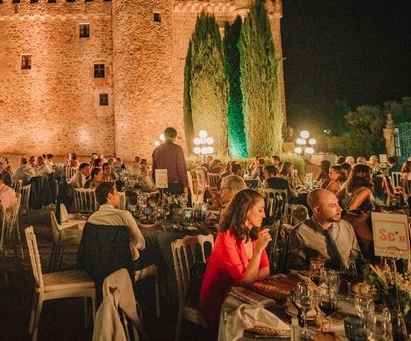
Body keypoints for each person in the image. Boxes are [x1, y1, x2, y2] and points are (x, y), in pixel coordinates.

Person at [198, 189, 271, 337]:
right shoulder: (226, 238)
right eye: (261, 210)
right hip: (220, 299)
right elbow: (243, 281)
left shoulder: (254, 233)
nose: (264, 215)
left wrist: (249, 278)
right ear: (246, 211)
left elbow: (266, 271)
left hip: (243, 294)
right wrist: (257, 252)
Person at [288, 188, 362, 271]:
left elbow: (357, 258)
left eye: (337, 204)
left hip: (348, 278)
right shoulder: (299, 232)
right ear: (318, 210)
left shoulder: (346, 227)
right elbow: (294, 267)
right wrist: (311, 266)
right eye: (333, 206)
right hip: (319, 280)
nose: (340, 209)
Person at [87, 182, 147, 266]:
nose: (119, 195)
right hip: (125, 264)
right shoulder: (124, 215)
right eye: (116, 193)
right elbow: (140, 243)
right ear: (110, 196)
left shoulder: (91, 219)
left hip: (100, 264)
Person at [151, 126, 189, 198]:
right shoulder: (177, 149)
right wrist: (185, 185)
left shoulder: (157, 150)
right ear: (174, 137)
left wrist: (156, 184)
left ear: (164, 136)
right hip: (175, 185)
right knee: (176, 207)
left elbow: (154, 169)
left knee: (164, 206)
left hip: (161, 185)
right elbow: (181, 168)